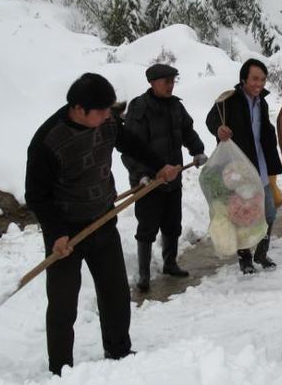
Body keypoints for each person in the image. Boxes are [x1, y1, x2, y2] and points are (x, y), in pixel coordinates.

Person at [25, 73, 180, 375]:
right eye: (101, 111)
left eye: (110, 110)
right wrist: (56, 234)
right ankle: (60, 369)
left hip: (103, 218)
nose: (109, 116)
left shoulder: (107, 122)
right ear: (79, 109)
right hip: (67, 231)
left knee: (115, 292)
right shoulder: (48, 141)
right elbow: (37, 196)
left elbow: (131, 143)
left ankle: (119, 349)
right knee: (62, 303)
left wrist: (159, 166)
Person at [121, 64, 207, 293]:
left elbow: (187, 131)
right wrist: (140, 176)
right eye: (165, 81)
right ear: (152, 82)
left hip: (173, 177)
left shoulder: (176, 106)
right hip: (148, 182)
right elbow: (129, 148)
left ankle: (170, 263)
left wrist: (197, 150)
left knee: (172, 224)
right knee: (147, 227)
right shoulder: (139, 109)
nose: (170, 86)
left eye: (172, 81)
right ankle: (144, 274)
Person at [206, 58, 282, 274]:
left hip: (259, 165)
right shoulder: (229, 100)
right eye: (255, 79)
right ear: (243, 79)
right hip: (238, 168)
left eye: (262, 79)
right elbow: (211, 120)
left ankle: (261, 252)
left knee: (268, 212)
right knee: (242, 213)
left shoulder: (263, 102)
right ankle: (245, 257)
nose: (259, 84)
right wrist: (219, 129)